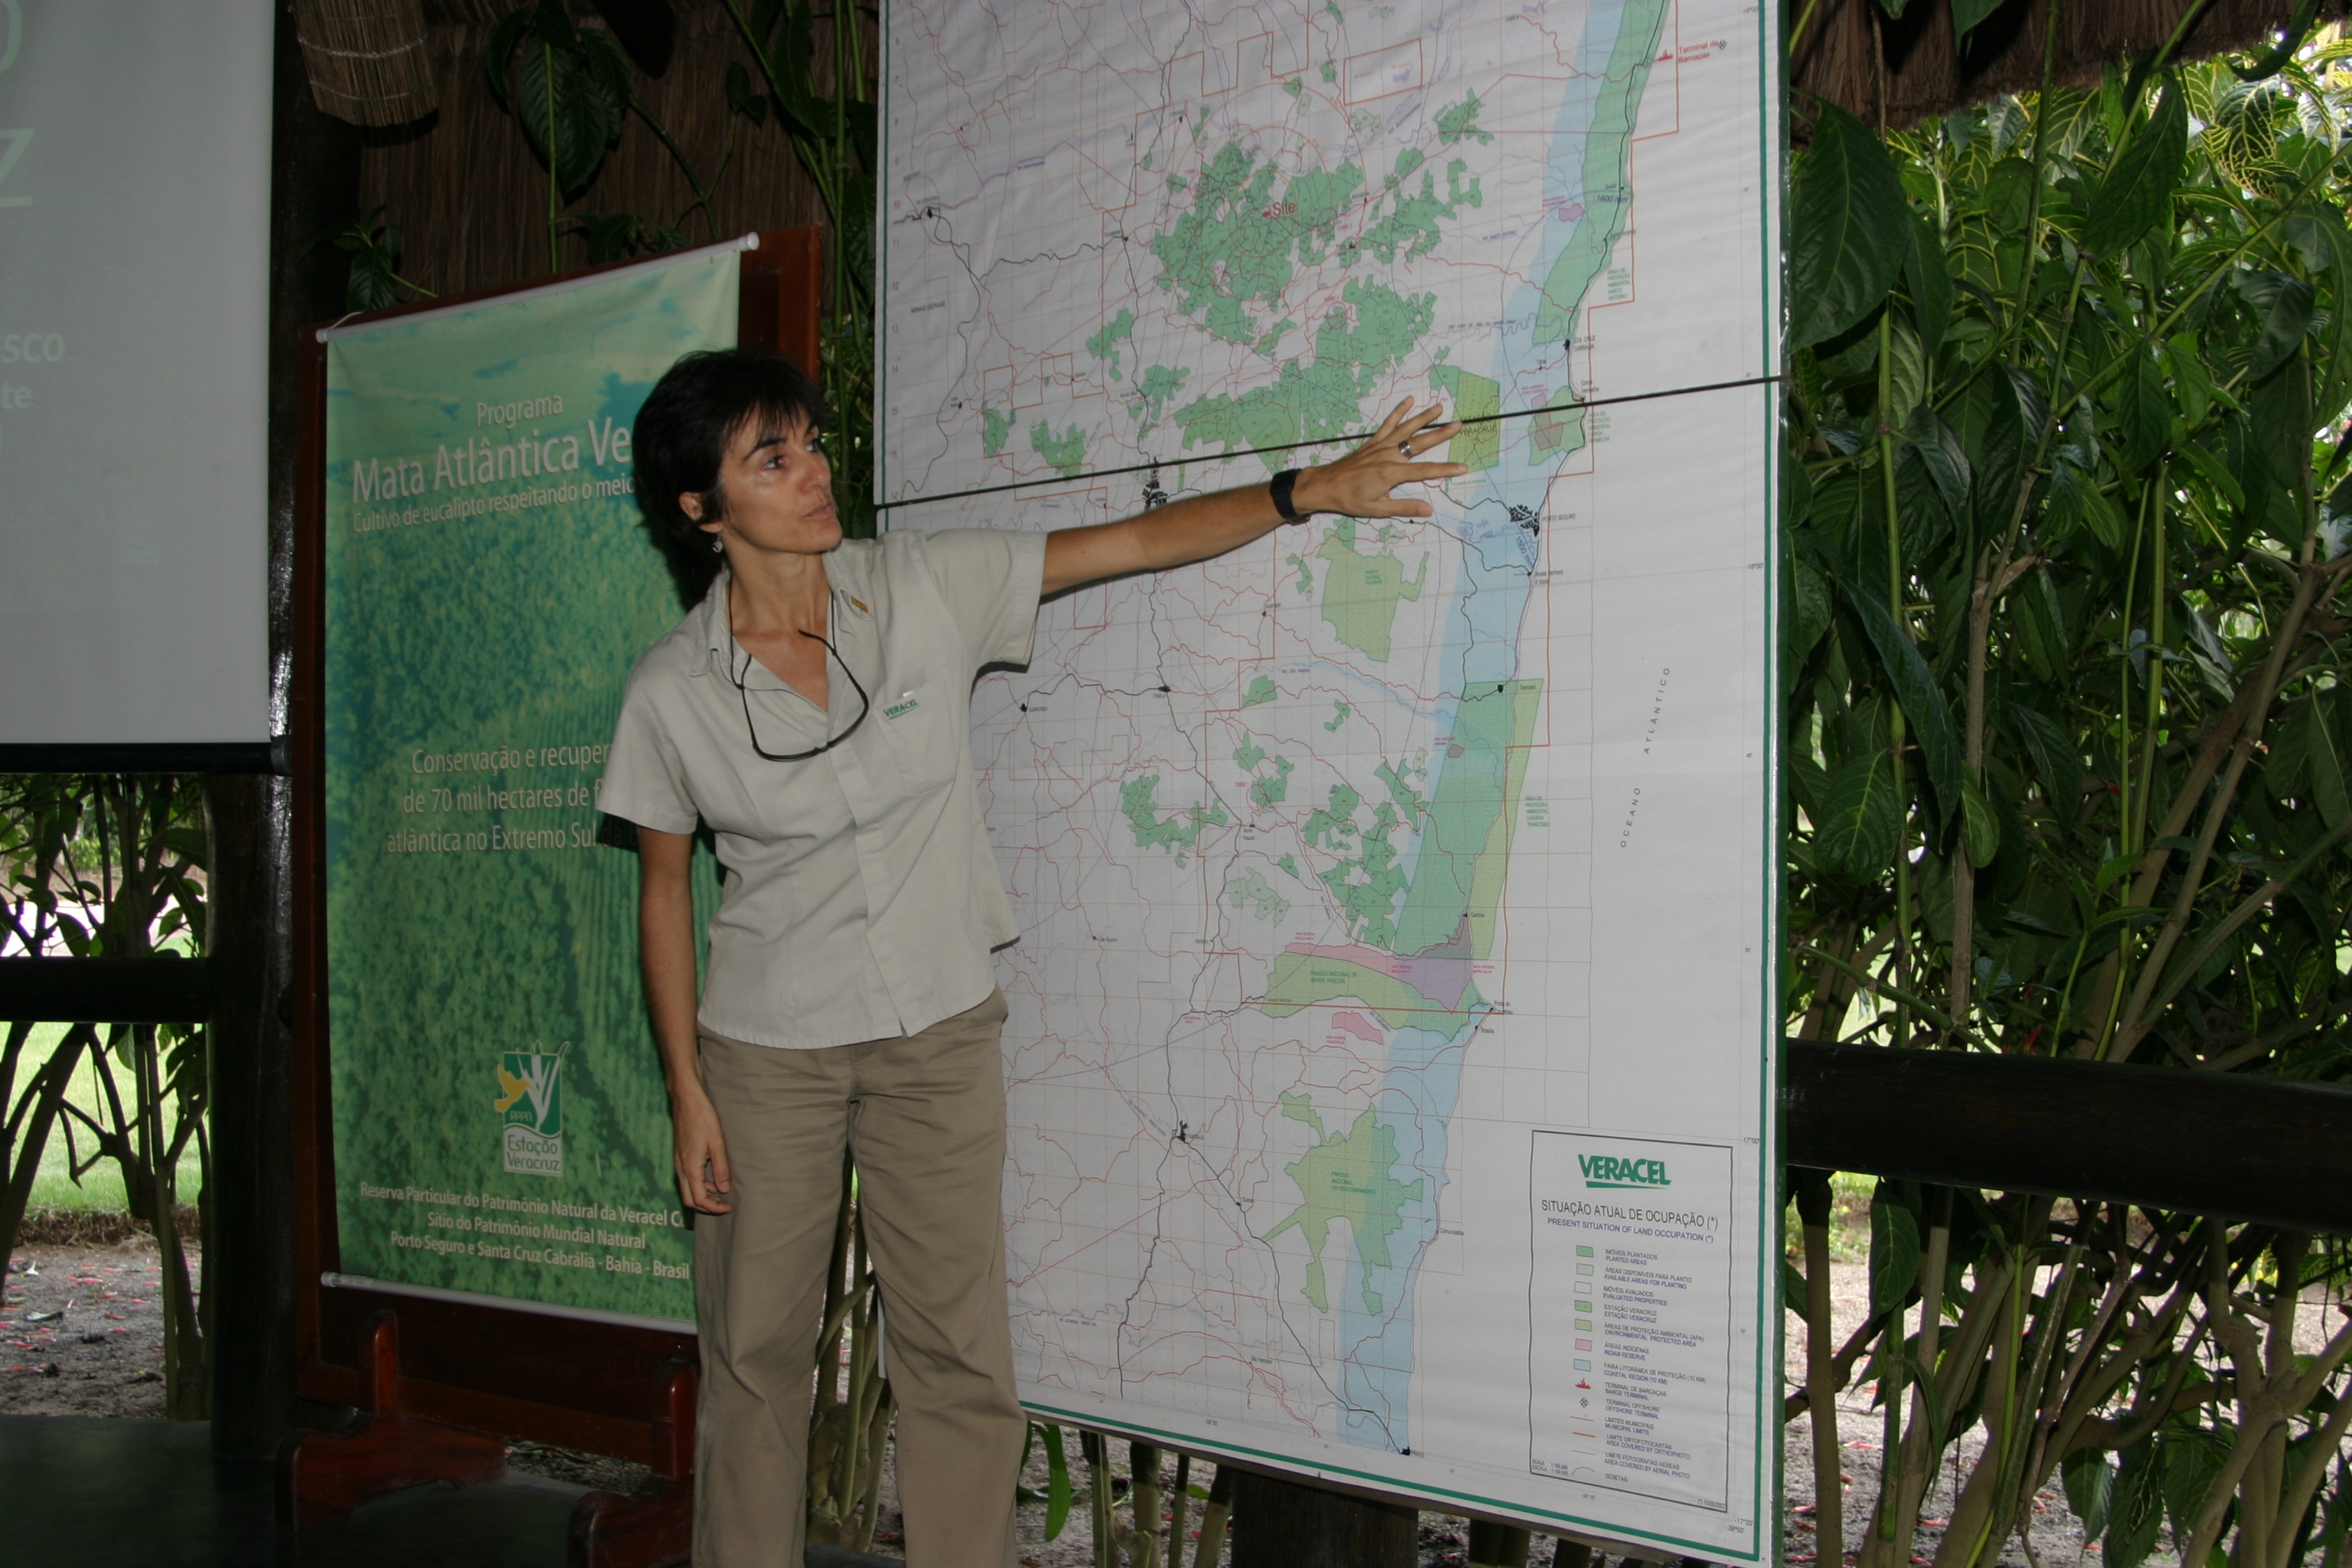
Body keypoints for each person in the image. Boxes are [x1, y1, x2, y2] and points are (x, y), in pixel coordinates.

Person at [597, 346, 1465, 1568]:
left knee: (957, 1356)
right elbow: (664, 893)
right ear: (702, 509)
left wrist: (1303, 492)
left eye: (811, 444)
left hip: (938, 1035)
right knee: (755, 1361)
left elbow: (1125, 543)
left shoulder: (923, 591)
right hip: (768, 1053)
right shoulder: (670, 691)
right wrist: (688, 1089)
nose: (815, 475)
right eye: (772, 459)